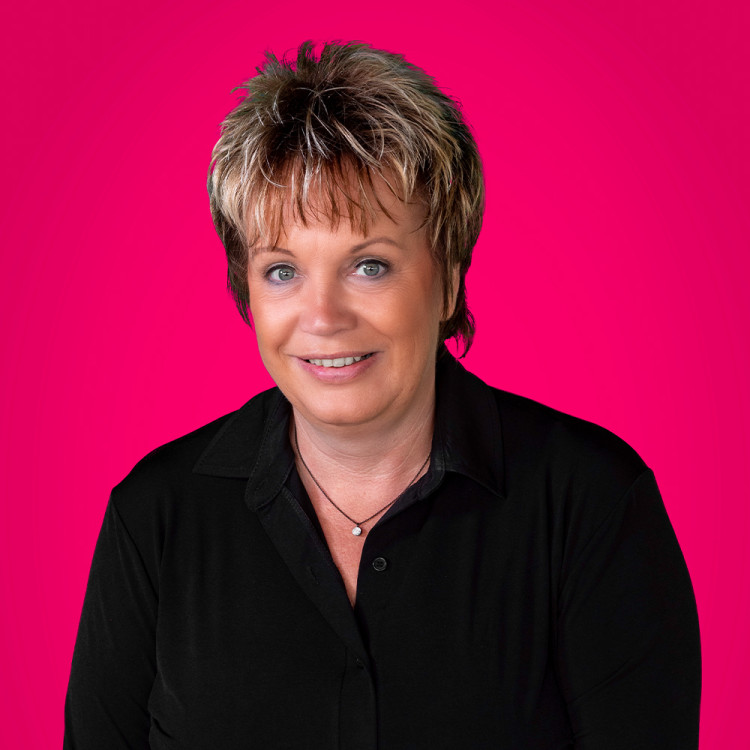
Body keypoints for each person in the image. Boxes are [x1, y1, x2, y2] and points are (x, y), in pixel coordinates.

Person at [64, 40, 701, 749]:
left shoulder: (590, 504)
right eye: (282, 271)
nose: (323, 317)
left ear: (448, 278)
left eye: (369, 265)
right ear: (247, 289)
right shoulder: (155, 516)